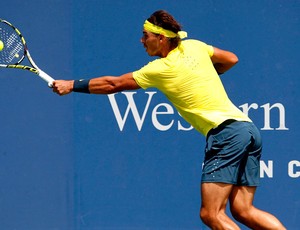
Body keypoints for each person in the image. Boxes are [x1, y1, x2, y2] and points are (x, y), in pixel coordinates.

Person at [53, 10, 285, 230]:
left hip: (226, 134)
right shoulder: (195, 46)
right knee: (243, 210)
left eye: (146, 36)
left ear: (162, 39)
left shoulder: (161, 68)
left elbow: (114, 84)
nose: (141, 41)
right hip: (248, 130)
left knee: (211, 214)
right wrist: (203, 73)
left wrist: (71, 85)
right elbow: (231, 59)